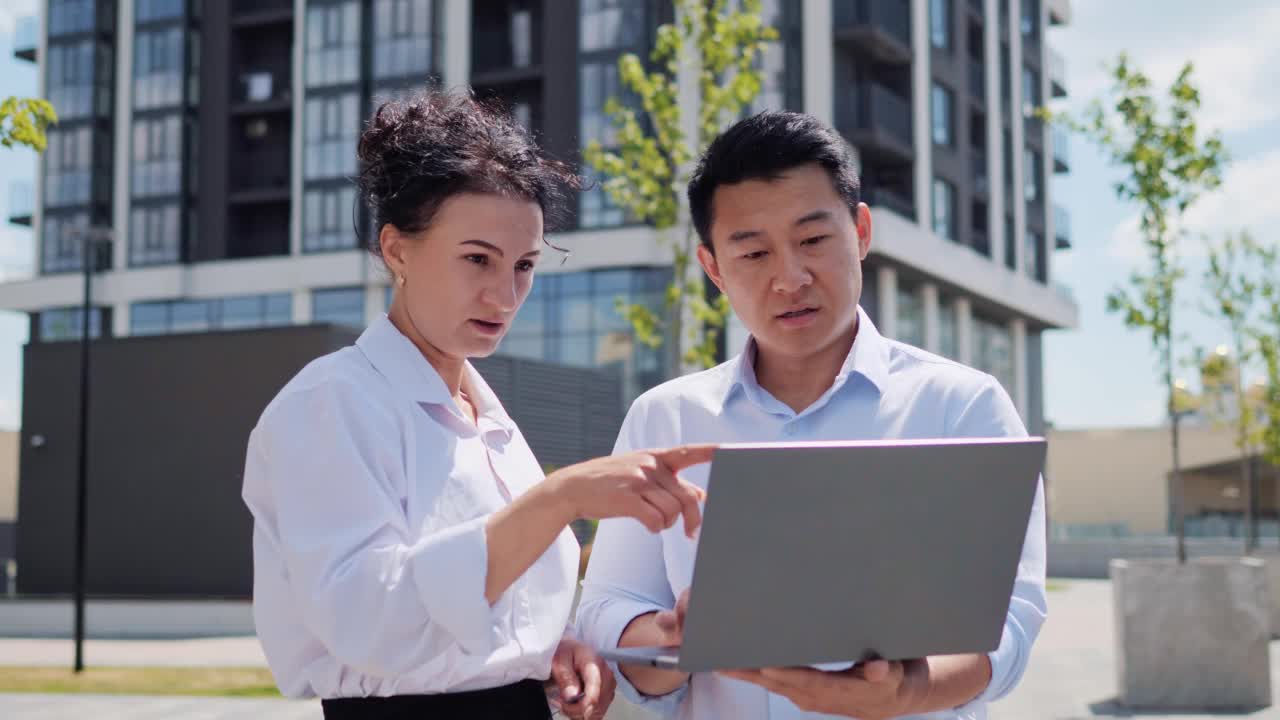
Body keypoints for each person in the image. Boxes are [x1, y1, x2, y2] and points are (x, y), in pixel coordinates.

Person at [241, 89, 713, 720]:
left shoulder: (490, 422)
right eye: (476, 259)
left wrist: (550, 653)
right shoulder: (331, 403)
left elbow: (479, 622)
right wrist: (558, 499)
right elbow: (369, 624)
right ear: (397, 250)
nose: (505, 294)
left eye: (524, 265)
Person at [576, 111, 1046, 719]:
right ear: (714, 268)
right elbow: (608, 605)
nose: (789, 278)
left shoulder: (962, 406)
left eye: (813, 241)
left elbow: (1009, 620)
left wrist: (908, 691)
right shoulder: (665, 418)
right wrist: (674, 635)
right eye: (753, 253)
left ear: (861, 231)